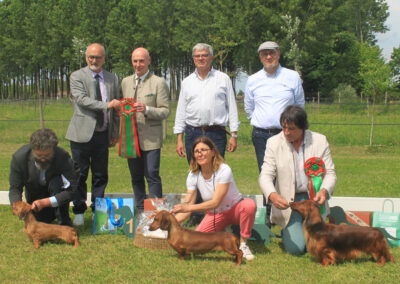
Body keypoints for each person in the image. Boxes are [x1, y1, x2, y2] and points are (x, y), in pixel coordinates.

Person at [173, 43, 240, 225]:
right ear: (193, 59)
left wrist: (234, 133)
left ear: (210, 57)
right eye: (197, 56)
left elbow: (232, 107)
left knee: (215, 173)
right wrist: (179, 137)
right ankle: (195, 215)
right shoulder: (187, 82)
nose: (201, 58)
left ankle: (216, 215)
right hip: (192, 133)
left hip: (216, 133)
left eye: (204, 55)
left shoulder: (223, 79)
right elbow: (181, 111)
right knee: (196, 173)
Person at [258, 105, 337, 254]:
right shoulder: (273, 143)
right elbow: (265, 175)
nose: (286, 132)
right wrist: (272, 195)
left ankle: (314, 223)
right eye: (284, 128)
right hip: (290, 202)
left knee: (316, 247)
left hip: (313, 199)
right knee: (296, 249)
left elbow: (330, 173)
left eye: (292, 128)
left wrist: (324, 190)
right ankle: (289, 229)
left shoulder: (320, 141)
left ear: (303, 127)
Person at [244, 40, 305, 225]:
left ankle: (292, 213)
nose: (268, 57)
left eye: (272, 53)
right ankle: (270, 216)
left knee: (289, 173)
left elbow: (300, 105)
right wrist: (263, 120)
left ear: (278, 54)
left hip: (288, 134)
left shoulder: (292, 76)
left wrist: (294, 129)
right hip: (261, 135)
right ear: (260, 57)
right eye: (264, 54)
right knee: (267, 175)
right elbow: (249, 108)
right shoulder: (252, 80)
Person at [171, 136, 257, 261]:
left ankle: (243, 244)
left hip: (234, 209)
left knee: (249, 205)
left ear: (213, 152)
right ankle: (224, 229)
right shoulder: (192, 174)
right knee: (196, 245)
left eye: (203, 150)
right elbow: (187, 207)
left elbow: (215, 202)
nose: (200, 154)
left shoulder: (224, 169)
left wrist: (187, 207)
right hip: (215, 214)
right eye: (196, 151)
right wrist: (170, 221)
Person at [66, 43, 121, 226]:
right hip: (81, 135)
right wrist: (107, 105)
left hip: (102, 135)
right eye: (90, 57)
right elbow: (82, 100)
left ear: (104, 58)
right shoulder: (77, 76)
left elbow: (117, 109)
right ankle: (79, 210)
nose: (93, 60)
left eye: (97, 57)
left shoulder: (112, 78)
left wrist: (114, 132)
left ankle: (99, 211)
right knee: (80, 174)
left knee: (100, 175)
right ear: (86, 57)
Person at [120, 47, 170, 212]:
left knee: (152, 176)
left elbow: (165, 111)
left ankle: (156, 212)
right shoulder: (125, 82)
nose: (138, 64)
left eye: (142, 60)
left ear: (149, 61)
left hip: (151, 139)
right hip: (130, 139)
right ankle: (141, 210)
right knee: (136, 177)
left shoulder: (158, 82)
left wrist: (147, 110)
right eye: (135, 61)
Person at [9, 128, 77, 226]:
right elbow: (15, 188)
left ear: (54, 149)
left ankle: (63, 221)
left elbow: (72, 190)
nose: (43, 159)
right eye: (39, 155)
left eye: (47, 155)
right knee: (42, 221)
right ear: (32, 149)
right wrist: (18, 207)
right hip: (35, 201)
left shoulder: (63, 157)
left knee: (56, 182)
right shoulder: (19, 158)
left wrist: (46, 202)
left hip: (58, 197)